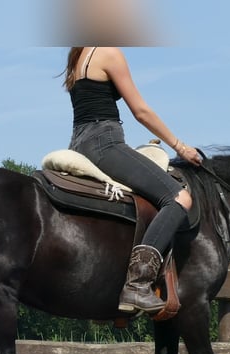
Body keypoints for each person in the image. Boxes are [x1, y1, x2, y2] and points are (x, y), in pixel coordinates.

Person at [63, 46, 202, 314]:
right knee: (178, 198)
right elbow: (140, 110)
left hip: (80, 143)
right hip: (106, 142)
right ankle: (138, 284)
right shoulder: (108, 52)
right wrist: (180, 147)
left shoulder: (78, 55)